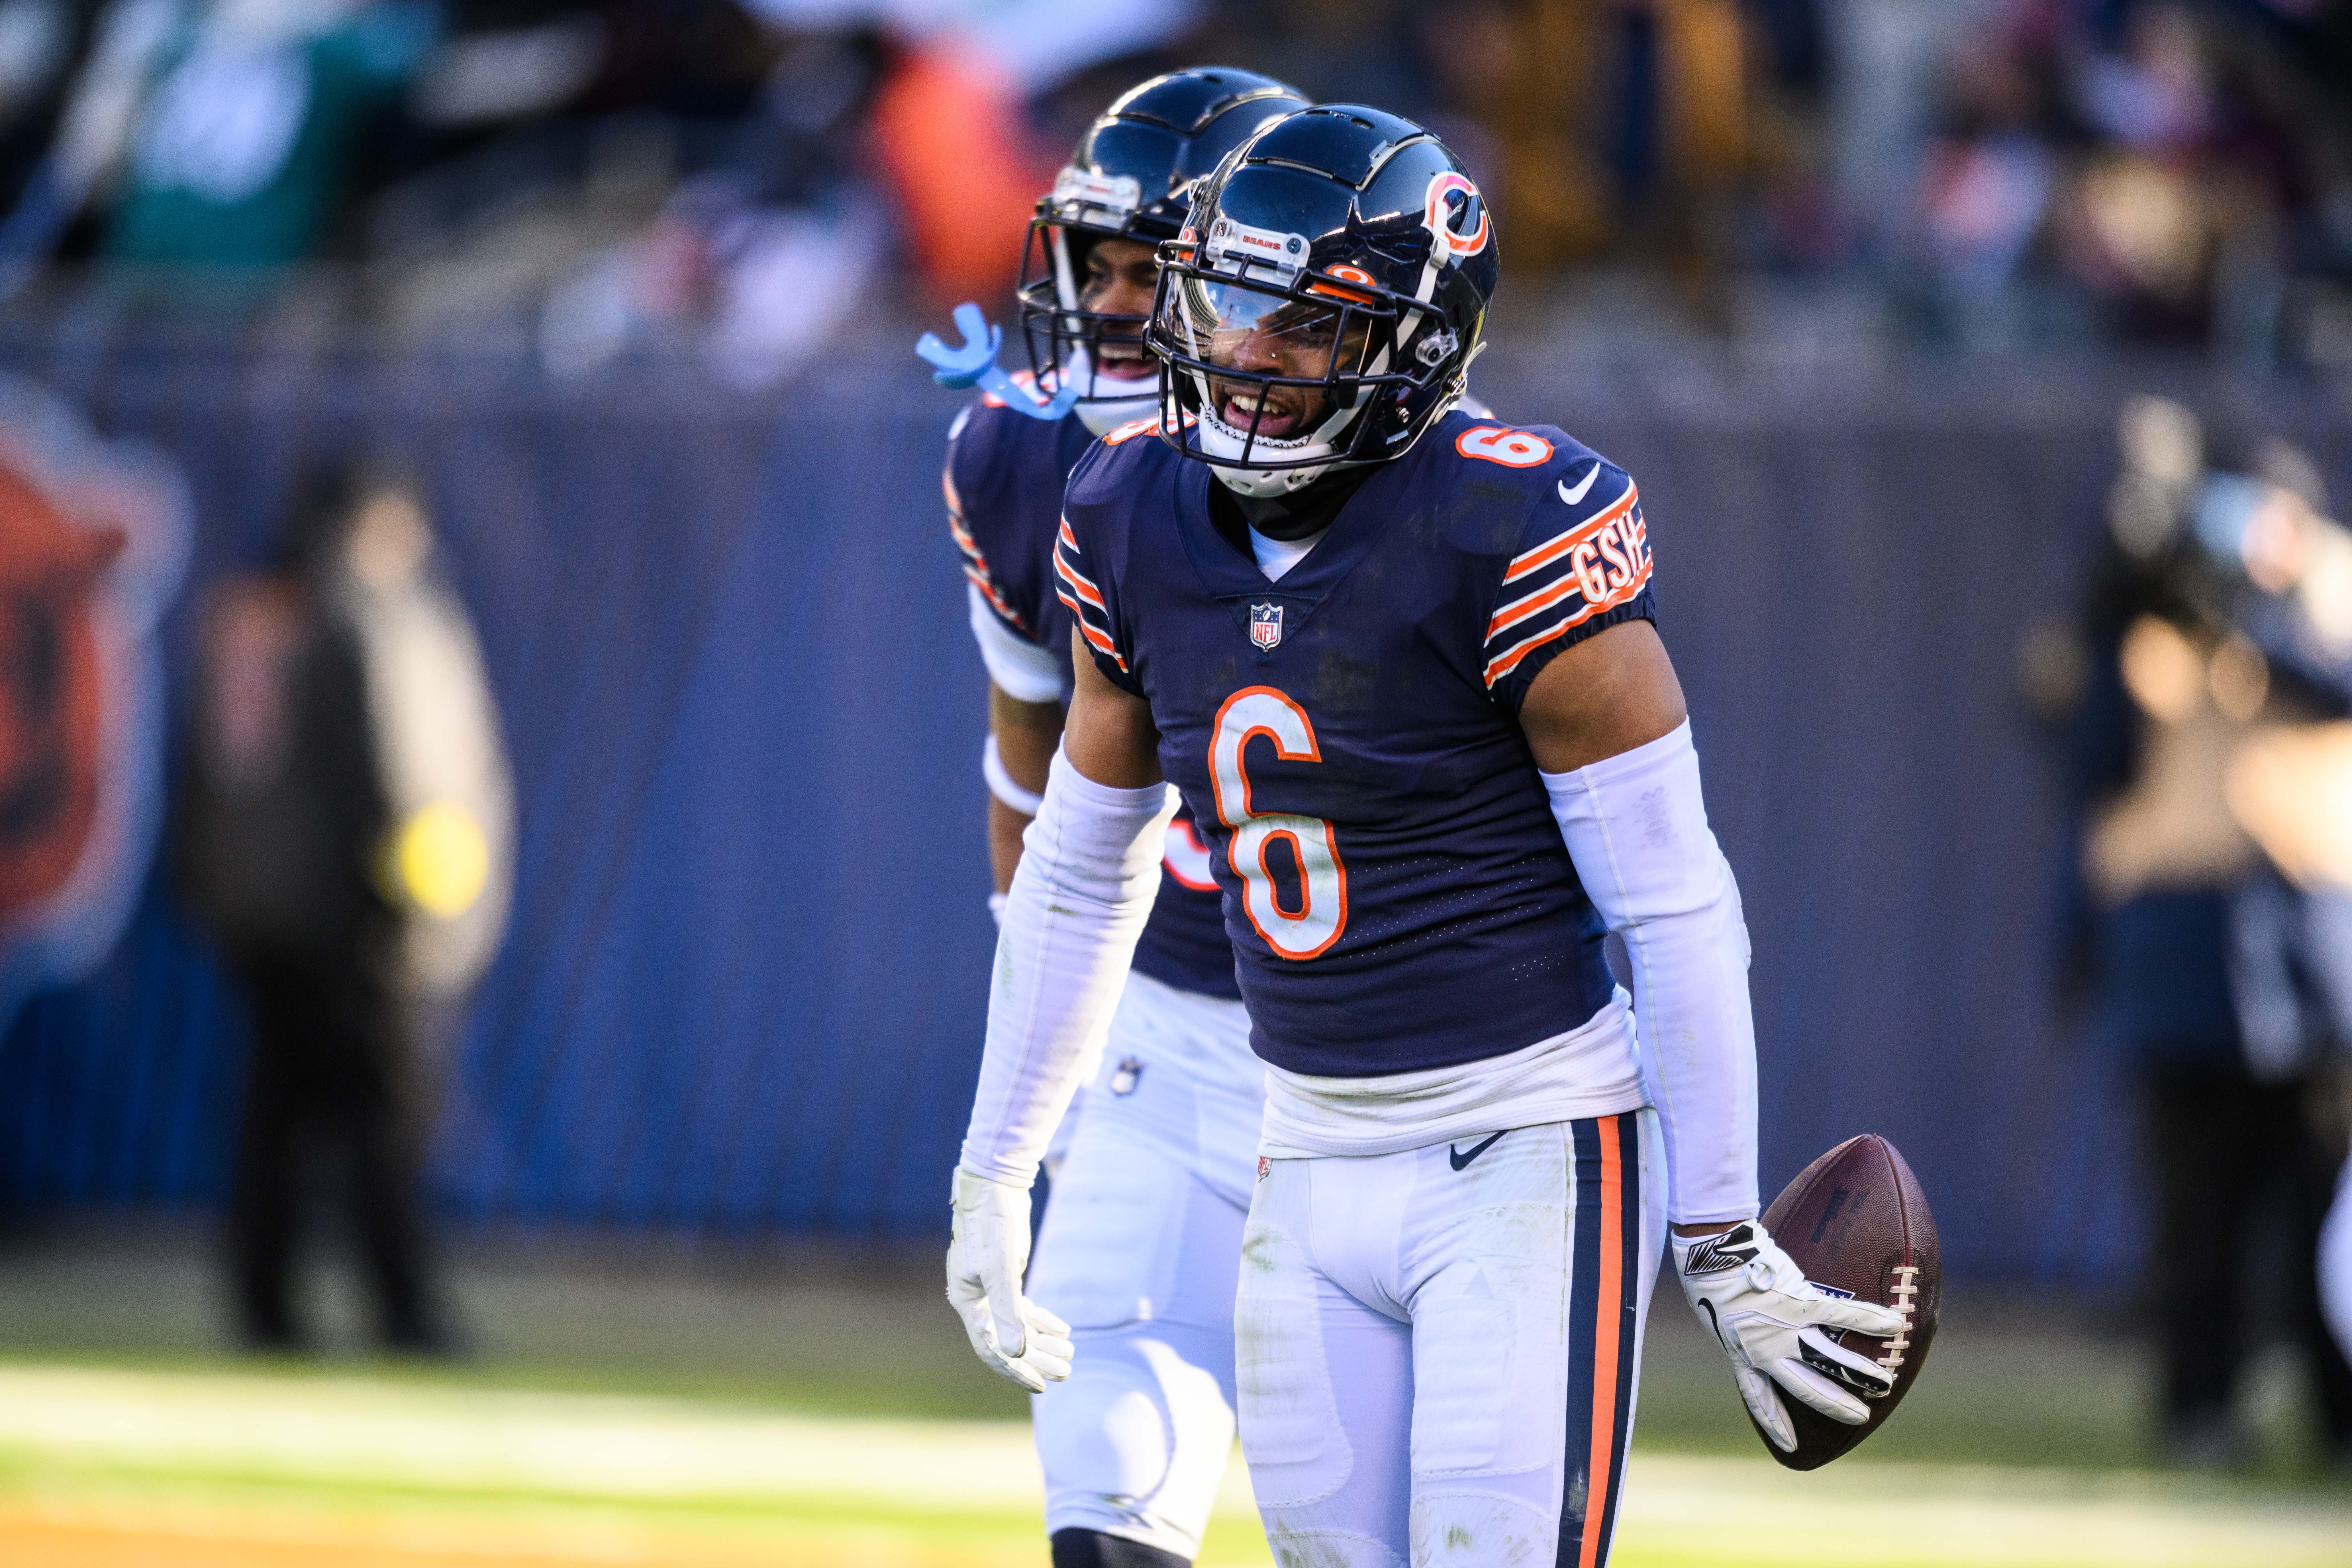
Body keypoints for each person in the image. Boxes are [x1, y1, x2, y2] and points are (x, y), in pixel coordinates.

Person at [945, 103, 1902, 1567]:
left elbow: (1677, 903)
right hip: (1306, 1144)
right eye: (1230, 301)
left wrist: (1713, 1226)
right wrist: (999, 1162)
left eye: (1305, 322)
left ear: (1414, 343)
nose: (1245, 352)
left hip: (1527, 1144)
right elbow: (1082, 866)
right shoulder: (1129, 507)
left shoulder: (1506, 518)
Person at [942, 67, 1307, 1568]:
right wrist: (1052, 1079)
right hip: (1163, 1043)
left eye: (1141, 268)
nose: (1101, 305)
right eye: (1086, 264)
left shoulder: (1420, 496)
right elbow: (1033, 786)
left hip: (1387, 1071)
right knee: (1106, 1535)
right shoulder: (1021, 464)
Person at [178, 460, 455, 1356]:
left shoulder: (242, 615)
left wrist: (208, 888)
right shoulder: (344, 619)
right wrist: (393, 904)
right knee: (379, 1118)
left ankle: (265, 1303)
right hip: (334, 915)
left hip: (252, 911)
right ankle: (399, 1305)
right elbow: (365, 775)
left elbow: (200, 774)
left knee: (275, 1115)